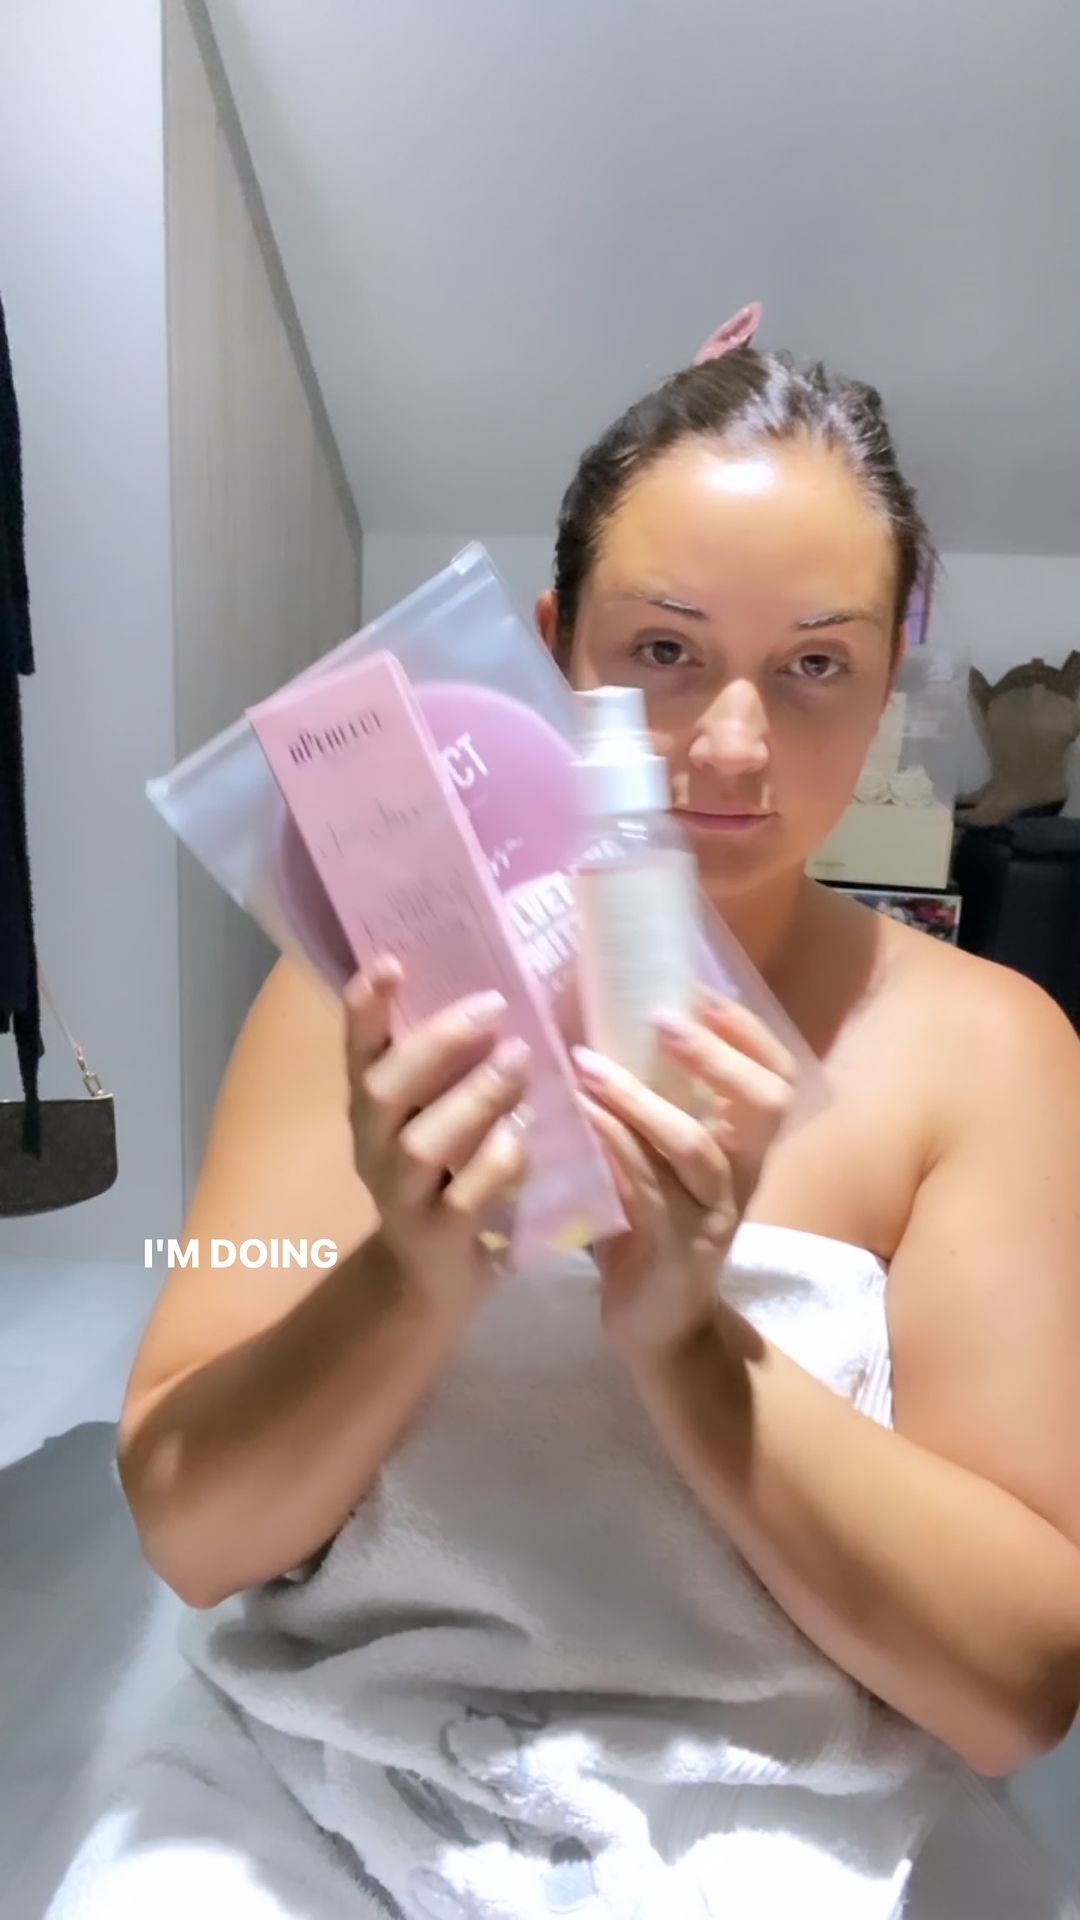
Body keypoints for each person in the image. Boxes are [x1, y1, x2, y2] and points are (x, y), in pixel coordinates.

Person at [47, 325, 1080, 1920]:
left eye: (816, 665)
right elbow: (192, 1534)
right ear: (552, 649)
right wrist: (412, 1275)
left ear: (890, 678)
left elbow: (1017, 1686)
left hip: (795, 1814)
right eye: (661, 649)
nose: (729, 744)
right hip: (324, 1778)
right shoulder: (366, 1001)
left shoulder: (987, 1050)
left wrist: (689, 1346)